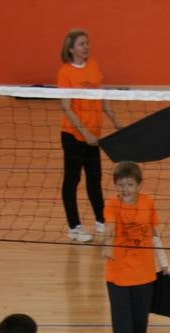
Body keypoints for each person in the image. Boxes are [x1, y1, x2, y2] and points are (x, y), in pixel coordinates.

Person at [102, 160, 169, 333]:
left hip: (144, 277)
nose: (125, 189)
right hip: (118, 278)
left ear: (139, 185)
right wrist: (107, 245)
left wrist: (165, 264)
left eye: (129, 184)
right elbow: (109, 227)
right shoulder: (112, 205)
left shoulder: (148, 203)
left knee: (139, 330)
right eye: (120, 185)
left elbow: (155, 234)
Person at [57, 28, 119, 243]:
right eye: (82, 44)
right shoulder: (65, 72)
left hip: (94, 135)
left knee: (95, 179)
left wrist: (116, 121)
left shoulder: (93, 67)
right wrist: (84, 132)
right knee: (72, 180)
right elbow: (66, 107)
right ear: (71, 49)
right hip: (73, 136)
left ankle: (101, 221)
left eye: (87, 43)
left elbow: (102, 97)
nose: (86, 47)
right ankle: (74, 227)